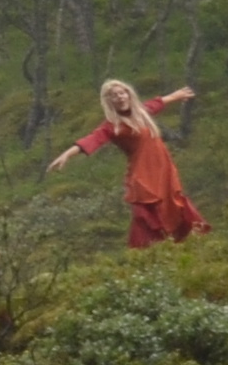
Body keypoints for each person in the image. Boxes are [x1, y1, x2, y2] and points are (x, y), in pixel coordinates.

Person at [51, 78, 206, 245]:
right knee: (148, 212)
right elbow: (93, 139)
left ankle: (184, 242)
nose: (120, 97)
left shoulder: (142, 112)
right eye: (114, 95)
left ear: (129, 94)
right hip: (142, 175)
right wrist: (67, 154)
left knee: (173, 204)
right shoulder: (112, 126)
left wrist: (177, 95)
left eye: (122, 93)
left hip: (163, 170)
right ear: (109, 101)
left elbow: (158, 103)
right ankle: (147, 250)